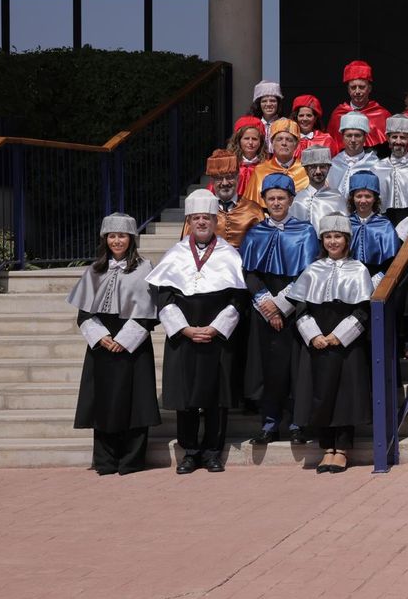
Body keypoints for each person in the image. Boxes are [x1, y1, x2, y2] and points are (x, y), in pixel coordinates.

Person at [147, 190, 247, 474]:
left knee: (216, 399)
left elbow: (237, 300)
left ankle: (213, 452)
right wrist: (186, 329)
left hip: (217, 337)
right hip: (184, 337)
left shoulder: (230, 254)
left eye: (207, 218)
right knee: (186, 398)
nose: (202, 222)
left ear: (216, 221)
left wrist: (216, 328)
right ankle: (190, 452)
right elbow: (164, 298)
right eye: (196, 218)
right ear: (189, 221)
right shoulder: (175, 253)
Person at [282, 214, 372, 473]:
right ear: (322, 240)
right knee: (320, 395)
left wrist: (339, 336)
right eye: (328, 237)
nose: (333, 241)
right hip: (318, 342)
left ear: (347, 240)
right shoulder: (312, 269)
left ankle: (342, 449)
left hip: (346, 343)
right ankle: (327, 448)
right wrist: (314, 336)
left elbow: (363, 311)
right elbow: (301, 308)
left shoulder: (358, 269)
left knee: (345, 396)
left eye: (338, 236)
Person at [70, 214, 159, 475]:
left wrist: (125, 339)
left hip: (133, 343)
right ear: (105, 239)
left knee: (135, 400)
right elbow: (84, 314)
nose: (117, 240)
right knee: (104, 401)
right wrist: (100, 337)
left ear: (131, 239)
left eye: (122, 236)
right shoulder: (94, 269)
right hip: (102, 345)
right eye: (112, 236)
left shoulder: (145, 268)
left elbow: (148, 312)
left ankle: (131, 459)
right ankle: (105, 460)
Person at [241, 173, 321, 445]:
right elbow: (249, 273)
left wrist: (281, 307)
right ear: (263, 201)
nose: (276, 203)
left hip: (294, 307)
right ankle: (269, 423)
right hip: (263, 310)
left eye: (281, 198)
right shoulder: (255, 232)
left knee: (296, 367)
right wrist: (266, 305)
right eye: (271, 198)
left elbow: (307, 273)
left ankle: (298, 423)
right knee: (268, 367)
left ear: (291, 200)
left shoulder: (306, 230)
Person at [198, 151, 264, 247]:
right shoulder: (200, 211)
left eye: (229, 177)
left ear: (238, 178)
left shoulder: (253, 210)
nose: (225, 183)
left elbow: (262, 247)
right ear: (212, 181)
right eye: (219, 178)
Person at [346, 172, 400, 280]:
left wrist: (378, 279)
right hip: (347, 277)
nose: (363, 201)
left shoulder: (385, 225)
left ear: (375, 198)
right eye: (359, 196)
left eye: (368, 196)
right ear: (352, 198)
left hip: (376, 279)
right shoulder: (346, 223)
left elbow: (392, 260)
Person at [327, 60, 391, 150]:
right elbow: (332, 147)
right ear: (348, 90)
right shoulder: (338, 115)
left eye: (362, 87)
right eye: (353, 87)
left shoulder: (382, 115)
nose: (357, 91)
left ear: (369, 88)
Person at [242, 119, 308, 203]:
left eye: (289, 140)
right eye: (279, 139)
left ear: (296, 145)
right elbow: (250, 206)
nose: (284, 143)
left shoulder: (305, 170)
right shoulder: (260, 170)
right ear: (272, 143)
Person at [291, 146, 349, 226]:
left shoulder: (337, 198)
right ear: (306, 169)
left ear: (329, 168)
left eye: (322, 166)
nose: (318, 171)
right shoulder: (298, 199)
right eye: (313, 167)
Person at [327, 113, 381, 195]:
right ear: (342, 136)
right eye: (349, 135)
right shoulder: (333, 163)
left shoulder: (375, 165)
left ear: (365, 137)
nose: (353, 140)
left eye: (357, 135)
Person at [229, 115, 267, 199]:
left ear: (260, 142)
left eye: (254, 139)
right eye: (246, 138)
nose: (250, 142)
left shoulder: (266, 166)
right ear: (238, 140)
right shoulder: (229, 165)